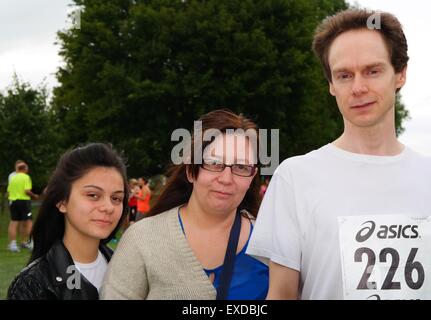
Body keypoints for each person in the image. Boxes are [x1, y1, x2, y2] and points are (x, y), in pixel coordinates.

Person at [247, 9, 431, 300]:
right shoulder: (295, 178)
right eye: (344, 75)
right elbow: (280, 295)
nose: (358, 88)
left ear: (400, 74)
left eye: (372, 70)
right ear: (331, 85)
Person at [101, 109, 269, 300]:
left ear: (252, 176)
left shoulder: (269, 247)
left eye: (241, 167)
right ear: (190, 170)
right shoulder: (142, 239)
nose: (226, 178)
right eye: (213, 163)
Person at [7, 143, 129, 300]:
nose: (108, 207)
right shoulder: (32, 286)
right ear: (62, 201)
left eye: (116, 198)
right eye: (93, 195)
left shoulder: (130, 270)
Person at [7, 162, 39, 252]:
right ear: (24, 169)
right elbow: (27, 191)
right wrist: (34, 196)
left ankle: (13, 244)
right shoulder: (26, 177)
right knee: (29, 221)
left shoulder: (13, 178)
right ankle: (29, 242)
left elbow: (8, 192)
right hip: (24, 201)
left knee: (14, 222)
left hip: (13, 201)